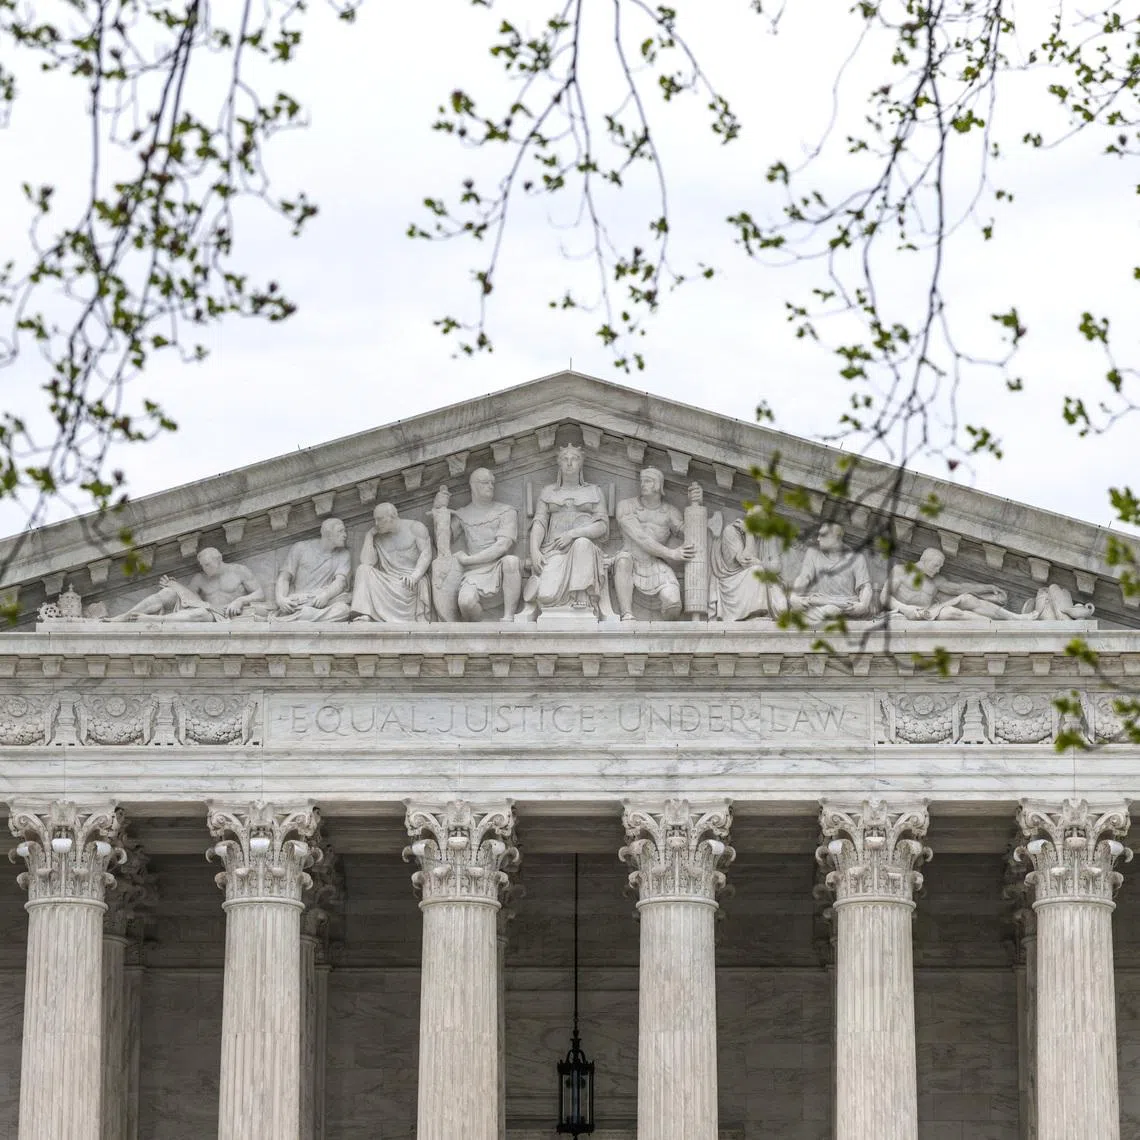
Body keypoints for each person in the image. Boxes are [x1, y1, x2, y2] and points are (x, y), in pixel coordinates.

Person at [521, 442, 616, 618]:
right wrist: (534, 551)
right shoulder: (548, 491)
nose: (570, 463)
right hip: (554, 551)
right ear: (559, 463)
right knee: (546, 596)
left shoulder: (594, 491)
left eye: (575, 459)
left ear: (581, 463)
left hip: (585, 551)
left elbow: (602, 526)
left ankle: (581, 595)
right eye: (565, 459)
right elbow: (540, 522)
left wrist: (572, 534)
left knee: (582, 544)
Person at [612, 467, 693, 620]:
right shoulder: (626, 506)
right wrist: (672, 553)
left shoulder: (670, 512)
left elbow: (689, 533)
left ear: (658, 485)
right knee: (623, 560)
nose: (643, 484)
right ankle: (627, 614)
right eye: (642, 481)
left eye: (648, 481)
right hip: (630, 560)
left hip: (656, 565)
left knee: (673, 604)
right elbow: (640, 537)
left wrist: (695, 504)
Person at [441, 469, 522, 621]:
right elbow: (443, 543)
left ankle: (508, 616)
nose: (490, 486)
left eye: (492, 483)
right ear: (473, 486)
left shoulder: (506, 511)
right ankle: (483, 624)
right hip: (474, 572)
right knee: (465, 603)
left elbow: (503, 546)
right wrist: (440, 511)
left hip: (498, 567)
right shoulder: (463, 514)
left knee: (511, 561)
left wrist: (468, 560)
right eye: (485, 483)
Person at [107, 547, 267, 622]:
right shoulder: (199, 578)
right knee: (169, 593)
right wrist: (174, 586)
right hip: (207, 607)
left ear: (219, 559)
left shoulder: (239, 571)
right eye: (203, 565)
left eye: (208, 565)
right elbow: (189, 601)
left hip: (223, 615)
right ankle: (125, 616)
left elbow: (260, 594)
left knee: (200, 614)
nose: (205, 568)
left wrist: (240, 601)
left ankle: (152, 620)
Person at [882, 547, 1023, 620]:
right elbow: (884, 597)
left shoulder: (935, 581)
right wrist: (905, 609)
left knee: (967, 598)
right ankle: (991, 626)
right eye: (936, 565)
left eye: (940, 567)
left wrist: (988, 587)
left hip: (931, 611)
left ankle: (1013, 618)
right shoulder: (901, 571)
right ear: (924, 560)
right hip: (911, 613)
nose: (938, 570)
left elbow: (959, 588)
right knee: (952, 613)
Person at [350, 503, 432, 623]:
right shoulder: (378, 537)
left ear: (392, 516)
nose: (376, 524)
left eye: (380, 519)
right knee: (362, 569)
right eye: (375, 520)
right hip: (387, 581)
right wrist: (369, 536)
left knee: (407, 584)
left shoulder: (415, 528)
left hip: (408, 582)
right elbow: (367, 562)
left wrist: (414, 576)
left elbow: (426, 554)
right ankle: (365, 614)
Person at [710, 515, 788, 621]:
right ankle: (756, 614)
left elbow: (777, 567)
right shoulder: (731, 531)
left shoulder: (768, 536)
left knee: (782, 606)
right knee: (756, 571)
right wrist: (749, 533)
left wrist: (761, 563)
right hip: (733, 580)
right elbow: (745, 561)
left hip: (757, 578)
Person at [789, 523, 873, 622]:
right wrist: (794, 596)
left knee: (832, 610)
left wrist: (863, 605)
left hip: (846, 605)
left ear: (835, 538)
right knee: (794, 611)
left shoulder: (856, 558)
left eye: (822, 535)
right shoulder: (812, 553)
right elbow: (803, 578)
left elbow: (865, 587)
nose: (818, 539)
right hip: (820, 602)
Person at [273, 517, 352, 622]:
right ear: (328, 534)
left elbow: (340, 582)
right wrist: (280, 599)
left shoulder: (343, 554)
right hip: (300, 602)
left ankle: (302, 618)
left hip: (324, 602)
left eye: (344, 531)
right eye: (340, 531)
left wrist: (326, 595)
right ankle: (302, 616)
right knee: (302, 611)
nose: (345, 535)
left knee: (343, 609)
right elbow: (284, 578)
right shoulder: (300, 548)